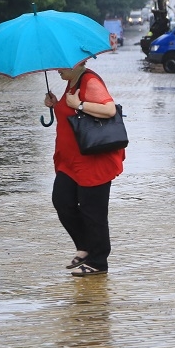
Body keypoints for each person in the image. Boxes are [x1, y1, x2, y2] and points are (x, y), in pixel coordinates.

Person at [43, 61, 125, 276]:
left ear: (77, 63)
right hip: (70, 162)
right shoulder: (72, 82)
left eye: (61, 65)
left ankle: (99, 262)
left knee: (93, 212)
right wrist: (56, 104)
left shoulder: (90, 80)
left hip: (92, 160)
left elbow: (108, 109)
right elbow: (70, 112)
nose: (57, 69)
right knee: (62, 201)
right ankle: (86, 246)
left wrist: (78, 105)